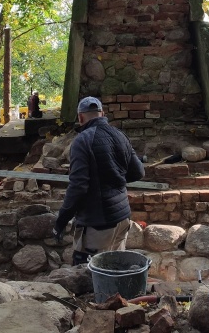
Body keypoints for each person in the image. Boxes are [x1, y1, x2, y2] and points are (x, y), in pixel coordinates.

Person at [53, 96, 145, 265]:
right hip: (122, 218)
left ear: (80, 117)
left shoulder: (82, 141)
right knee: (115, 272)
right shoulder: (120, 135)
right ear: (102, 114)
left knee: (87, 277)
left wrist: (61, 221)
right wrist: (113, 179)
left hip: (98, 225)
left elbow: (78, 187)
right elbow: (138, 172)